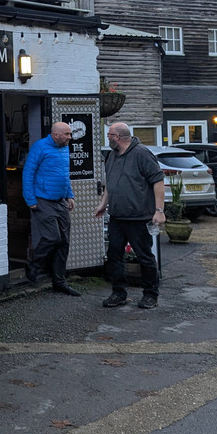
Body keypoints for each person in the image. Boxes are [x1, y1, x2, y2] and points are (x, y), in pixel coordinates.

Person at [95, 122, 165, 309]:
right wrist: (104, 202)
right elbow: (111, 183)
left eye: (109, 135)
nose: (107, 138)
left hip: (139, 217)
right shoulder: (111, 156)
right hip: (117, 216)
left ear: (117, 137)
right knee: (114, 255)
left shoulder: (142, 154)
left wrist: (159, 211)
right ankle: (119, 293)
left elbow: (158, 181)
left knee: (144, 256)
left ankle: (151, 294)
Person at [22, 121, 81, 296]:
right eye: (67, 134)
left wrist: (70, 195)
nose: (70, 137)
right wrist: (30, 198)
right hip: (43, 199)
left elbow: (64, 175)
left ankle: (59, 281)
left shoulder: (65, 148)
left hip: (60, 200)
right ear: (56, 135)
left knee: (64, 241)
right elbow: (28, 172)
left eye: (70, 134)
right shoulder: (40, 147)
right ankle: (33, 264)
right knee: (52, 237)